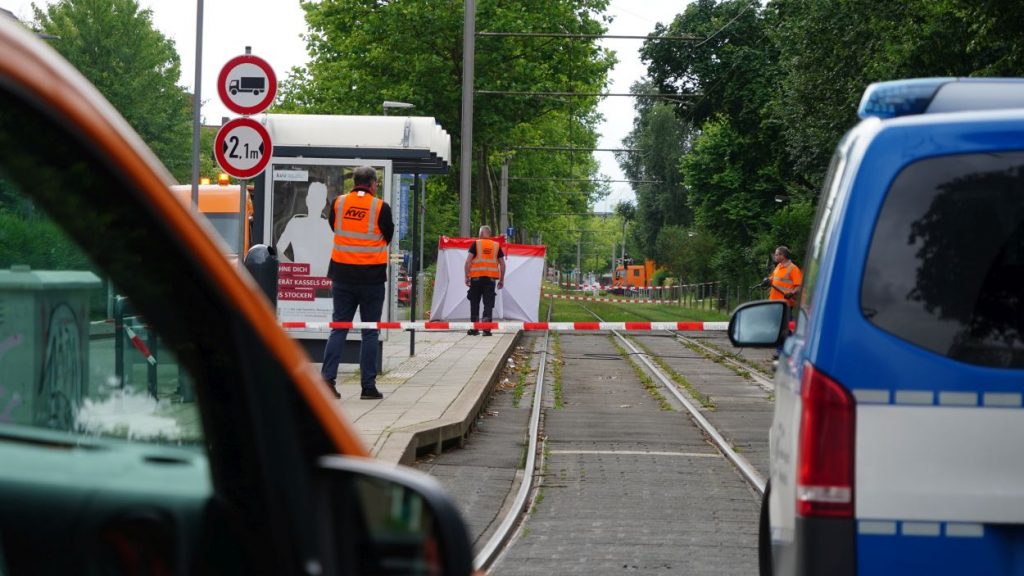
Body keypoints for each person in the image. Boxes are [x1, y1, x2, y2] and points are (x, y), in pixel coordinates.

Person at [321, 166, 393, 400]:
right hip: (371, 278)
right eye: (376, 183)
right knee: (370, 332)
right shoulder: (381, 207)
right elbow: (388, 236)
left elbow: (334, 227)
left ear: (354, 182)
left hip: (342, 276)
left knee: (339, 328)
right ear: (372, 184)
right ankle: (368, 387)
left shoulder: (339, 203)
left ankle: (327, 381)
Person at [761, 245, 802, 359]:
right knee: (780, 327)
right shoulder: (778, 266)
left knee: (784, 328)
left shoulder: (793, 269)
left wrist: (792, 293)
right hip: (775, 303)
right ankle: (786, 350)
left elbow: (799, 286)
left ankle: (783, 351)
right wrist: (767, 280)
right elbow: (773, 279)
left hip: (785, 303)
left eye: (777, 254)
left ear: (782, 255)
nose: (775, 256)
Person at [464, 225, 505, 336]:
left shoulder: (476, 244)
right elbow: (502, 263)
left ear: (481, 233)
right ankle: (486, 329)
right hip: (490, 280)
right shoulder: (496, 245)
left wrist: (466, 276)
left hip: (476, 279)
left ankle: (474, 328)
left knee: (474, 302)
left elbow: (468, 261)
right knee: (488, 303)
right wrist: (501, 279)